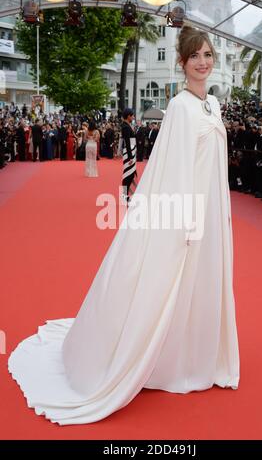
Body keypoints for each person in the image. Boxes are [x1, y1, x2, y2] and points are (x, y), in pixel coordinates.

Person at [8, 25, 239, 425]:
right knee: (172, 282)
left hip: (214, 209)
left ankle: (197, 354)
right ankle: (168, 360)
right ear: (181, 63)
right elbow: (176, 168)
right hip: (189, 211)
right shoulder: (181, 108)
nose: (203, 62)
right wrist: (185, 219)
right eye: (195, 56)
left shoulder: (214, 106)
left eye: (208, 55)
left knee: (202, 280)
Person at [121, 108, 137, 202]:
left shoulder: (128, 125)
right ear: (128, 116)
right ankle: (124, 196)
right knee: (128, 174)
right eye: (132, 116)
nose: (133, 117)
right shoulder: (125, 127)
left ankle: (125, 195)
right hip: (128, 152)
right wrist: (130, 156)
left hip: (131, 150)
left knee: (130, 174)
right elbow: (127, 142)